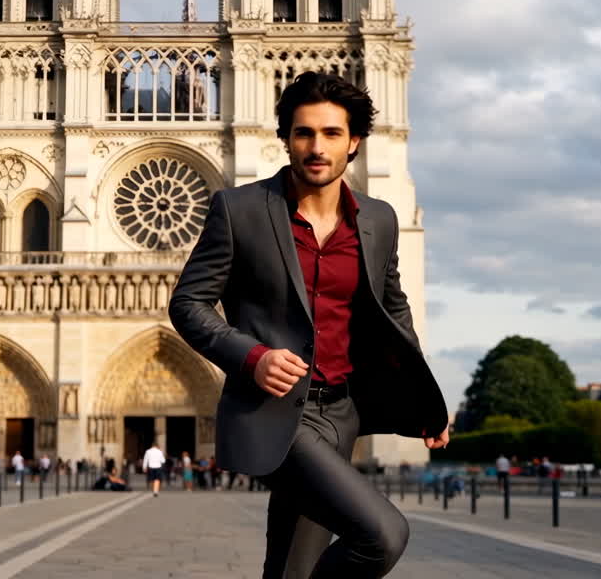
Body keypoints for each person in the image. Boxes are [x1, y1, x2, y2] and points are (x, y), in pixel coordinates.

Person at [169, 72, 449, 579]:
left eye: (331, 133)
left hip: (342, 412)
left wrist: (425, 399)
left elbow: (394, 311)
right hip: (273, 411)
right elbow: (189, 304)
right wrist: (252, 357)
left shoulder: (379, 219)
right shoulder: (240, 210)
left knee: (291, 567)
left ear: (355, 142)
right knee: (382, 535)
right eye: (303, 133)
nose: (316, 147)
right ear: (285, 139)